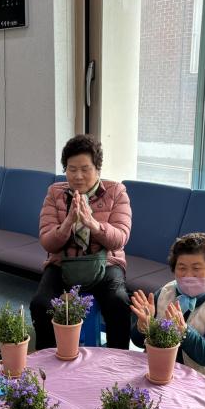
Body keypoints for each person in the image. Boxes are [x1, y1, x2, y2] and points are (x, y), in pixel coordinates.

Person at [30, 134, 132, 350]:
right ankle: (47, 364)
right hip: (63, 263)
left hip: (106, 264)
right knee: (41, 304)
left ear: (98, 169)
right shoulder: (55, 193)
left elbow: (120, 238)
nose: (77, 176)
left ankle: (119, 362)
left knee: (119, 301)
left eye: (85, 169)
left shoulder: (116, 192)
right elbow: (48, 242)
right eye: (71, 169)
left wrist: (93, 224)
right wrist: (67, 224)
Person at [130, 233, 205, 401]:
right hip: (162, 383)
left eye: (197, 269)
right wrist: (144, 326)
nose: (188, 275)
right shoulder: (165, 293)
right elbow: (138, 342)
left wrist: (183, 331)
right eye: (182, 268)